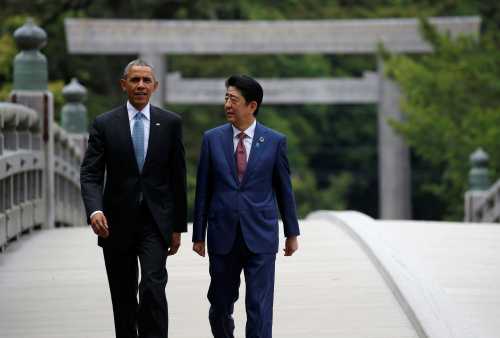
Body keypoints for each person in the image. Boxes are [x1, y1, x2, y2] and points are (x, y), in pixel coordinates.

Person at [80, 59, 187, 338]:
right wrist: (94, 211)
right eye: (135, 80)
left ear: (155, 86)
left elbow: (178, 178)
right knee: (123, 297)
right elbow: (90, 174)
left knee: (152, 287)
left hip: (155, 222)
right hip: (115, 223)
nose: (141, 85)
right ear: (123, 84)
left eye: (146, 80)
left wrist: (178, 227)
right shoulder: (104, 124)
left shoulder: (171, 123)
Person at [192, 75, 300, 338]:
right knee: (219, 304)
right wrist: (198, 234)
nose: (228, 104)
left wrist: (291, 233)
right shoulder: (212, 139)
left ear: (252, 106)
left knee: (259, 307)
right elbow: (203, 190)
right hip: (222, 234)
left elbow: (284, 190)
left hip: (260, 235)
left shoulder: (274, 141)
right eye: (226, 97)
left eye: (234, 99)